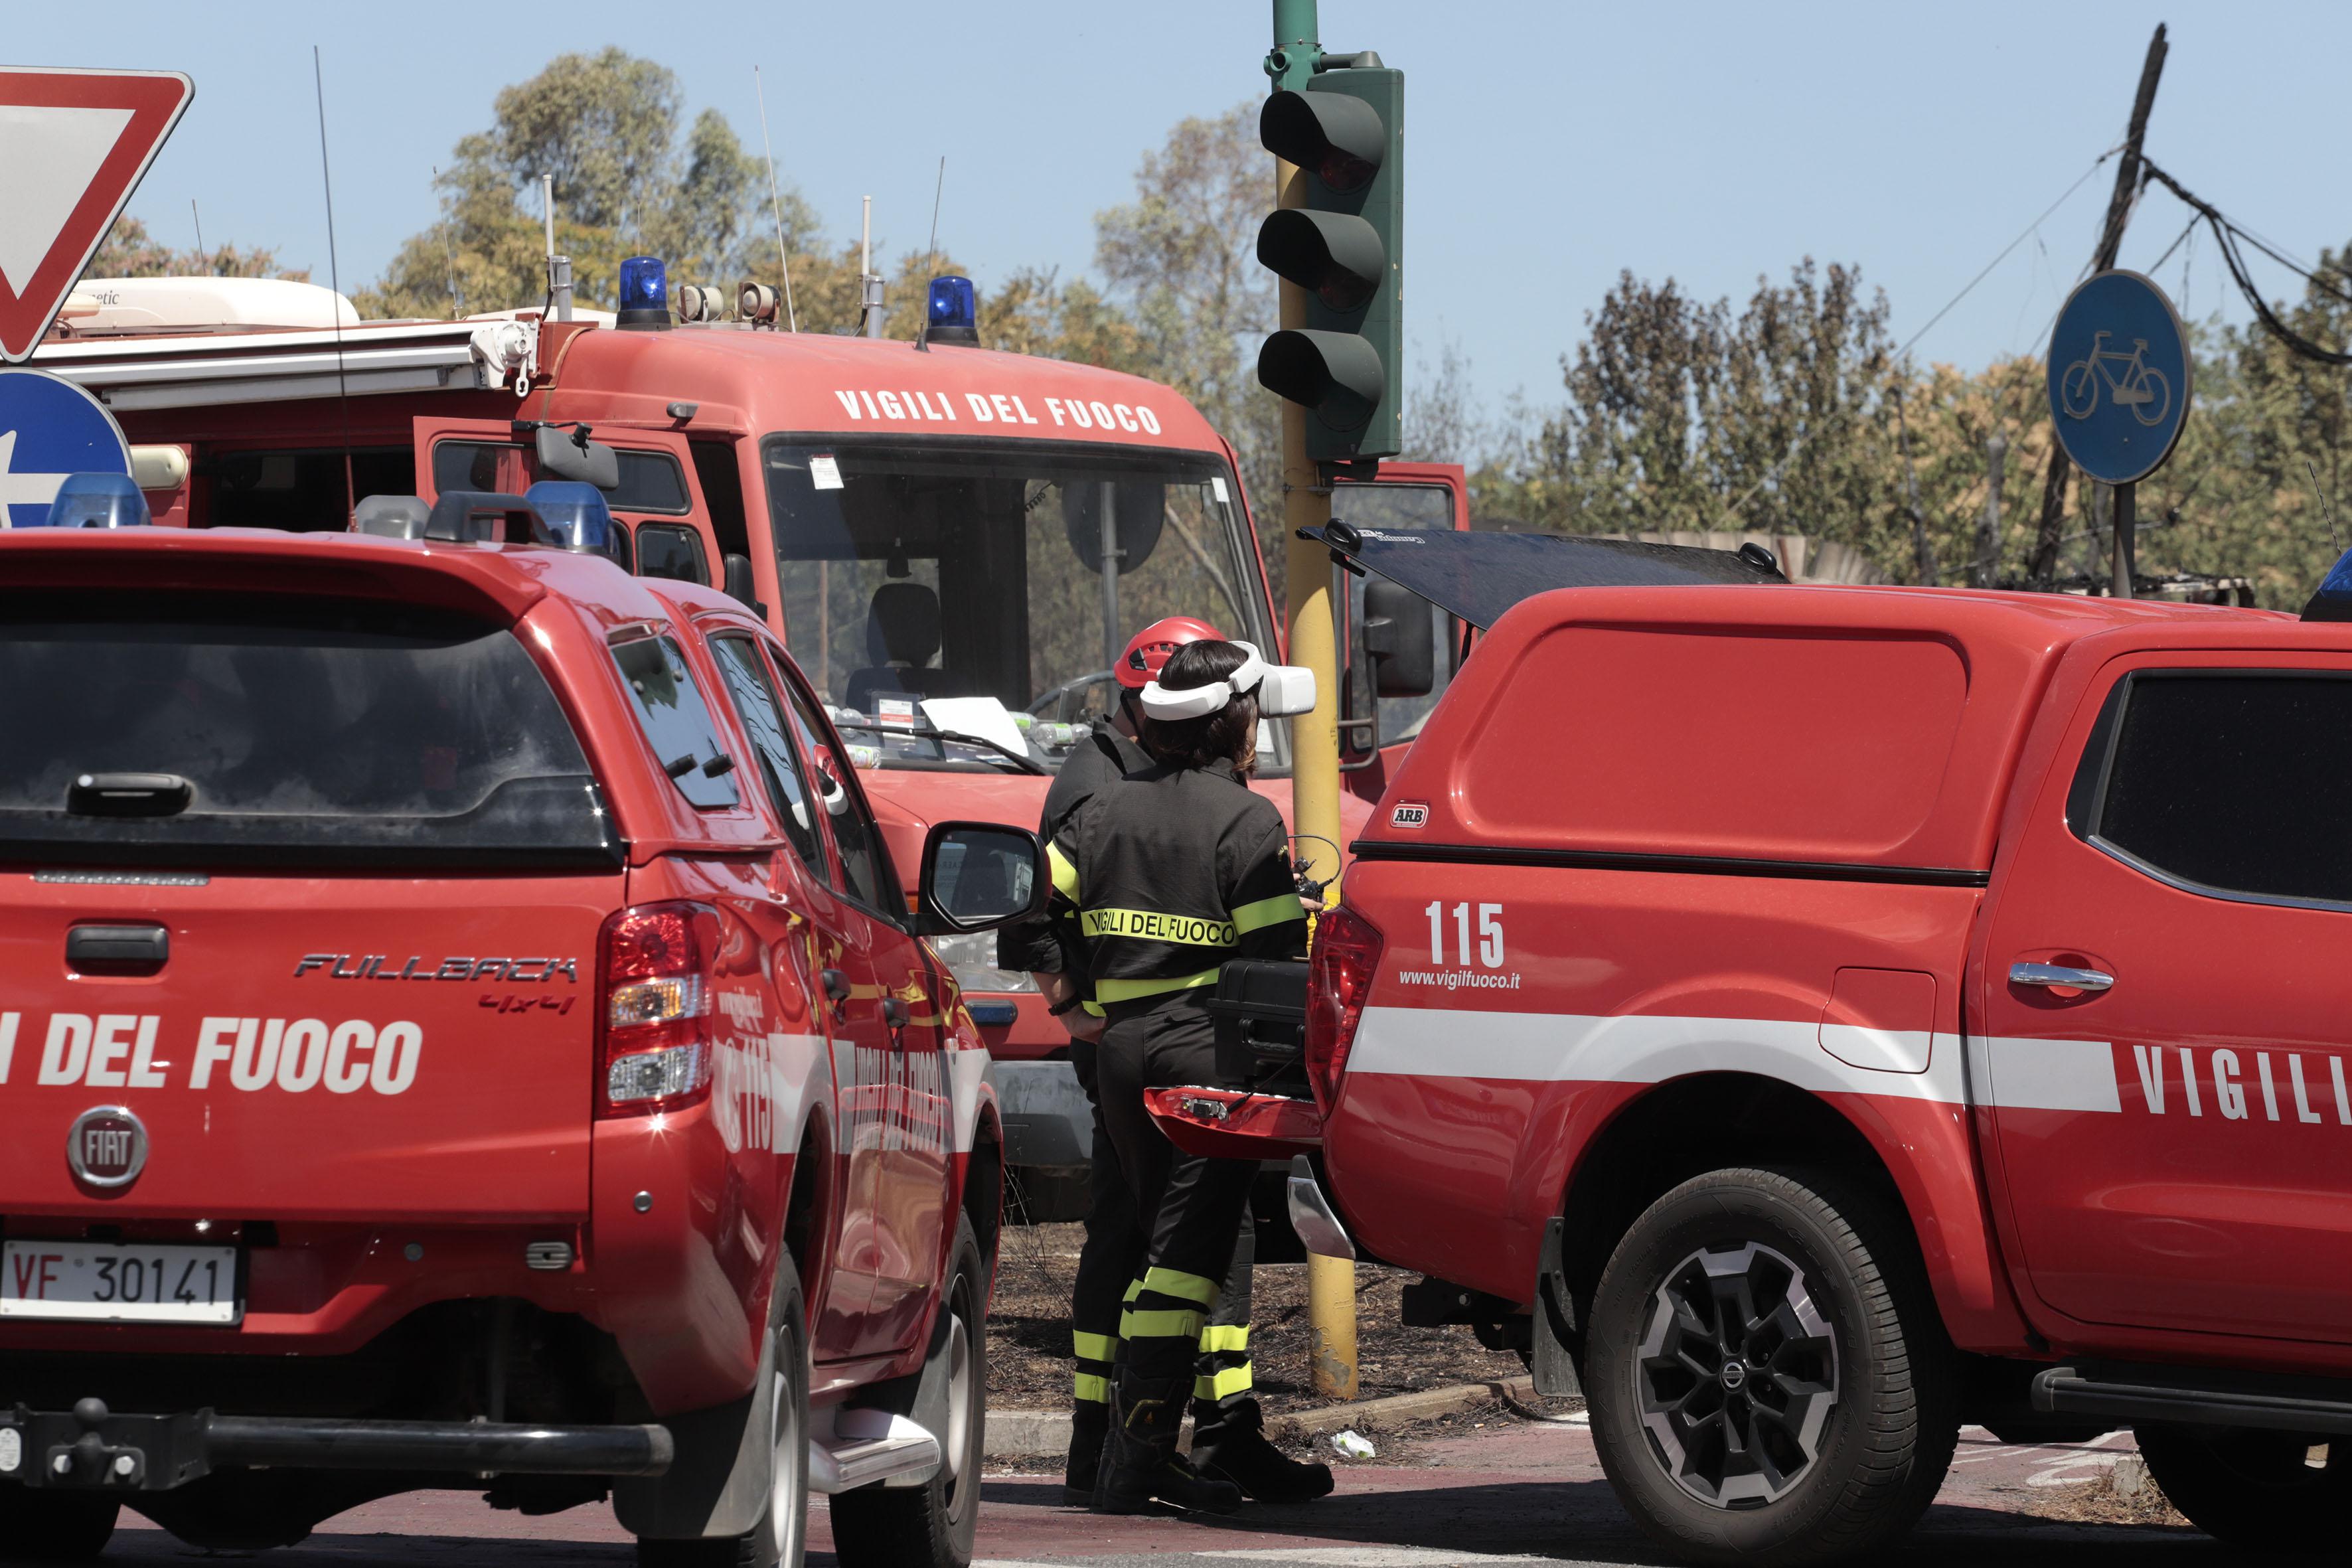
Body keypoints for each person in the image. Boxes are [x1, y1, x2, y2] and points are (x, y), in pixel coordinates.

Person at [1000, 618, 1298, 1506]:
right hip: (1204, 1054)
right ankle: (1136, 1464)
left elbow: (1025, 911)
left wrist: (1069, 1007)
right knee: (1184, 1253)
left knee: (1151, 1241)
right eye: (1252, 710)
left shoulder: (1103, 811)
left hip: (1122, 1051)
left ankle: (1126, 1454)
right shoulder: (1247, 820)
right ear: (1230, 722)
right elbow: (1275, 963)